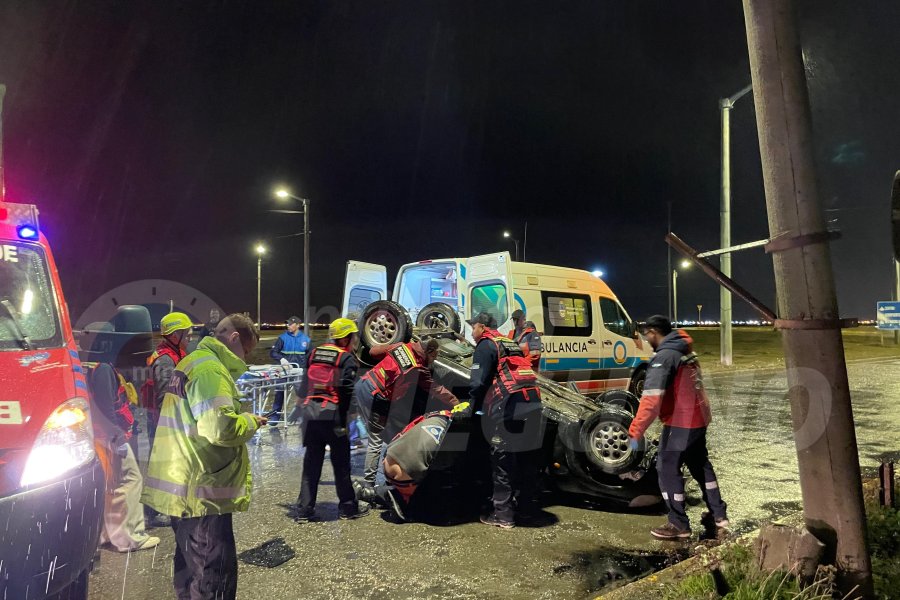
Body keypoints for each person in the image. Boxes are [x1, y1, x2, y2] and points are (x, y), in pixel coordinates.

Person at [141, 314, 267, 600]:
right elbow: (219, 428)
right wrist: (250, 421)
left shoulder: (192, 361)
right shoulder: (211, 370)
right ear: (234, 338)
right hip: (201, 492)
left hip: (183, 484)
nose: (245, 357)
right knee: (213, 576)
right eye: (246, 351)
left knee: (190, 570)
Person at [628, 315, 729, 540]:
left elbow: (651, 400)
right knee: (700, 465)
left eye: (647, 335)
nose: (646, 340)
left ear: (654, 332)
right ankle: (719, 516)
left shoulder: (664, 356)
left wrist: (635, 432)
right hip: (699, 417)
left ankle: (678, 525)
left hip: (681, 421)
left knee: (667, 467)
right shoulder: (684, 349)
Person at [468, 312, 544, 529]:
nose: (472, 333)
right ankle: (526, 511)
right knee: (526, 459)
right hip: (533, 401)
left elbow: (477, 383)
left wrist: (471, 409)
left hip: (510, 404)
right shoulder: (508, 341)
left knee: (502, 460)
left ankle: (503, 515)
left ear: (482, 327)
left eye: (473, 327)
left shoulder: (485, 344)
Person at [353, 338, 459, 489]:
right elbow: (436, 389)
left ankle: (391, 473)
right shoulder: (418, 368)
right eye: (433, 357)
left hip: (363, 385)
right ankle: (370, 484)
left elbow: (373, 352)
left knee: (390, 434)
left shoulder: (401, 346)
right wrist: (456, 403)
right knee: (377, 439)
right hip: (377, 397)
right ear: (428, 352)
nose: (433, 361)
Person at [294, 317, 369, 522]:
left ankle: (304, 510)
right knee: (341, 464)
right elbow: (347, 390)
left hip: (310, 415)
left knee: (311, 463)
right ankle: (348, 508)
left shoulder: (314, 353)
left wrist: (299, 407)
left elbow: (304, 384)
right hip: (333, 417)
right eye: (353, 336)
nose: (355, 340)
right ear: (345, 338)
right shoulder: (346, 358)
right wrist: (351, 414)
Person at [89, 362, 160, 553]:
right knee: (130, 480)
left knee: (113, 486)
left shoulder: (96, 369)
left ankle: (108, 535)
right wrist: (117, 439)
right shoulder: (104, 370)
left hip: (102, 437)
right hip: (110, 437)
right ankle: (130, 538)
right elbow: (105, 408)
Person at [140, 310, 192, 528]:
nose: (190, 336)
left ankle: (161, 507)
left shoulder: (174, 353)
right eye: (187, 333)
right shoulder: (165, 360)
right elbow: (165, 397)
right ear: (174, 335)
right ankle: (154, 512)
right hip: (164, 422)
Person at [268, 316, 311, 424]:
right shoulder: (282, 338)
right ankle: (274, 419)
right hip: (284, 372)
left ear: (298, 325)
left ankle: (303, 418)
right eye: (287, 324)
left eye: (291, 324)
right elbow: (273, 352)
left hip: (299, 372)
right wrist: (281, 359)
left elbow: (311, 356)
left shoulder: (306, 340)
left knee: (302, 395)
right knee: (279, 393)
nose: (288, 326)